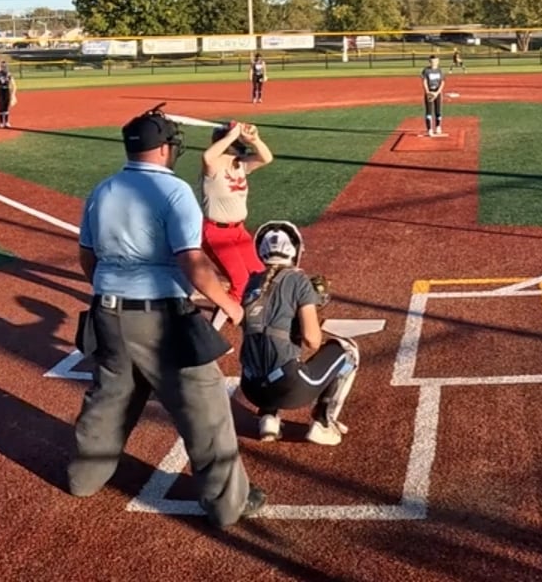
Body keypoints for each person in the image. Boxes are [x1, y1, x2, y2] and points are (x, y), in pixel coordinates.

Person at [67, 107, 262, 525]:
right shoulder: (174, 191)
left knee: (110, 396)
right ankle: (227, 504)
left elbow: (88, 257)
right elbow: (192, 260)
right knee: (205, 405)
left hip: (107, 311)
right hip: (161, 317)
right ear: (161, 149)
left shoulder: (103, 189)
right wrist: (229, 304)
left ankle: (84, 477)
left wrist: (110, 290)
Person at [239, 222, 359, 446]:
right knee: (348, 351)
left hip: (251, 388)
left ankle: (268, 417)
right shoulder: (298, 280)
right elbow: (312, 341)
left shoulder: (252, 282)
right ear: (294, 250)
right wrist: (312, 304)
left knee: (268, 342)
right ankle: (323, 423)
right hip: (288, 388)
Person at [200, 121, 274, 319]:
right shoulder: (213, 166)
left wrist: (255, 139)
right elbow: (207, 156)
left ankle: (255, 316)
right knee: (240, 281)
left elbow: (266, 158)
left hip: (239, 231)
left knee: (259, 274)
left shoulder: (240, 164)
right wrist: (232, 135)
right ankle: (215, 329)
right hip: (216, 233)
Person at [422, 55, 447, 135]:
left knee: (438, 110)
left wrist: (437, 93)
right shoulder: (426, 70)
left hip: (437, 92)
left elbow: (442, 82)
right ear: (429, 62)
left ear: (438, 61)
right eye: (432, 61)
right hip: (429, 92)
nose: (434, 63)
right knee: (429, 110)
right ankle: (429, 128)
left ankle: (438, 126)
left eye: (436, 61)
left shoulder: (440, 71)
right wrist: (428, 92)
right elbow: (424, 81)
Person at [0, 61, 17, 128]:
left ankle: (6, 122)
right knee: (1, 106)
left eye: (5, 66)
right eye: (2, 66)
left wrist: (13, 95)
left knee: (6, 107)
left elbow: (14, 85)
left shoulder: (9, 74)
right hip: (0, 90)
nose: (4, 67)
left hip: (7, 90)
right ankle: (1, 122)